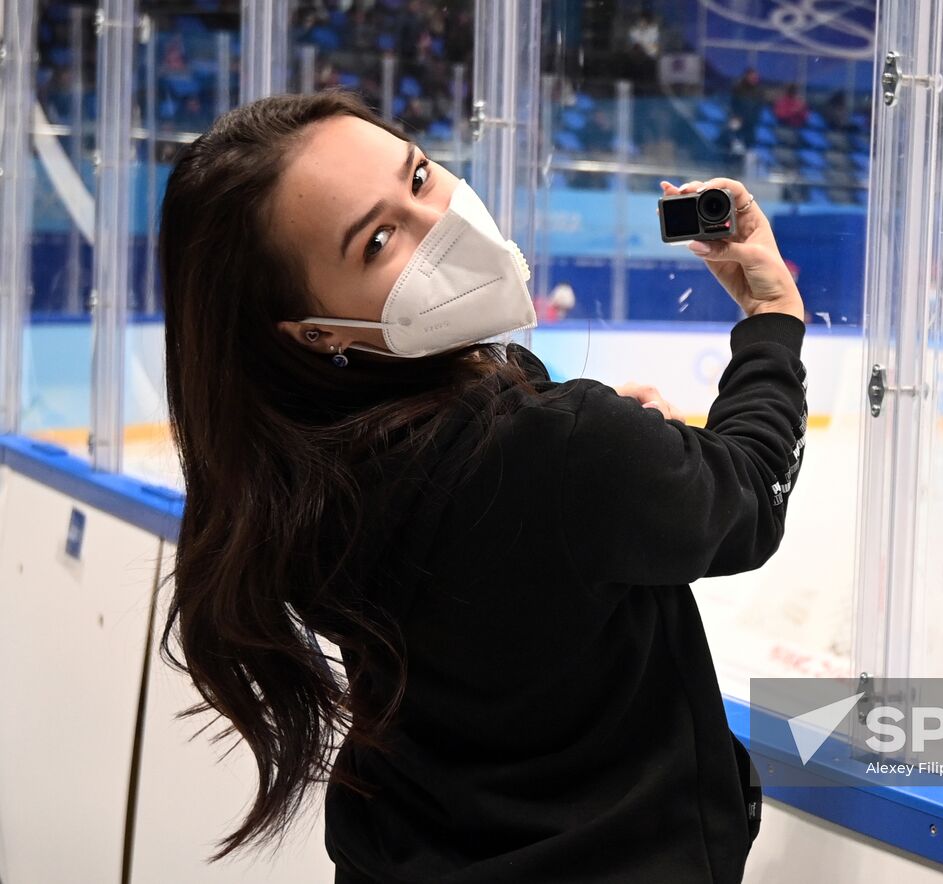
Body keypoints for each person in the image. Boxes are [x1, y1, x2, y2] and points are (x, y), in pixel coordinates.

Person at [158, 91, 809, 882]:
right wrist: (772, 316)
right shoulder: (556, 451)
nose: (439, 220)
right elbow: (749, 493)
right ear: (315, 332)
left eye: (419, 176)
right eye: (379, 240)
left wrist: (600, 449)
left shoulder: (298, 478)